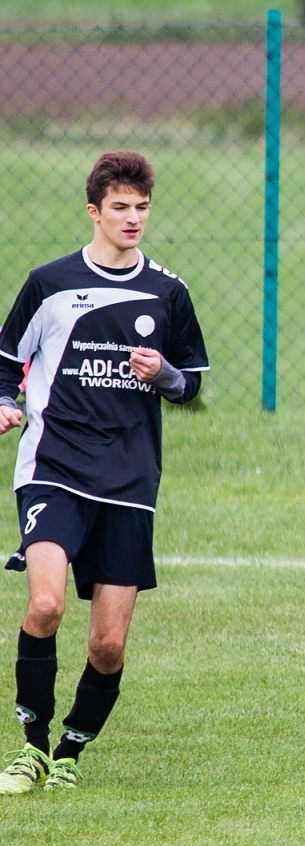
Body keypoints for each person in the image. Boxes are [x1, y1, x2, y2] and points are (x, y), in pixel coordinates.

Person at [0, 150, 208, 795]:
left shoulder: (168, 293)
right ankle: (30, 749)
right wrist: (6, 402)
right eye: (120, 207)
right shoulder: (50, 283)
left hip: (129, 481)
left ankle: (70, 751)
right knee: (45, 602)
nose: (133, 218)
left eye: (142, 207)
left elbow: (193, 384)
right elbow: (7, 357)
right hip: (54, 466)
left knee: (108, 646)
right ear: (94, 211)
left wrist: (165, 375)